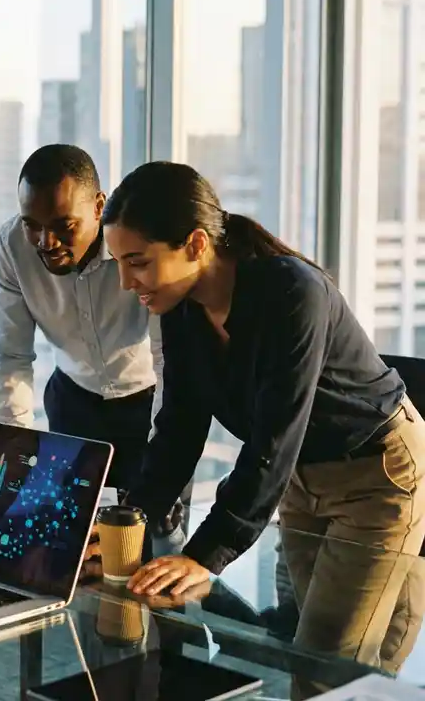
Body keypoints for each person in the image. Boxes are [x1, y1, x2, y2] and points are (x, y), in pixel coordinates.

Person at [101, 161, 425, 681]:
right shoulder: (181, 311)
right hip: (299, 477)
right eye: (117, 262)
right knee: (327, 655)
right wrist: (129, 522)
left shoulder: (293, 292)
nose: (124, 282)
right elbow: (180, 429)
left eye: (137, 262)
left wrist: (205, 555)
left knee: (324, 666)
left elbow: (275, 434)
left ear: (196, 244)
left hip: (377, 474)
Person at [0, 144, 164, 495]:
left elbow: (167, 356)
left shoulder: (138, 242)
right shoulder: (12, 247)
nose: (45, 241)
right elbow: (10, 355)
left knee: (155, 532)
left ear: (99, 206)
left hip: (148, 401)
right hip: (72, 402)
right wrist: (16, 447)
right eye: (32, 225)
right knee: (69, 535)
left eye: (63, 226)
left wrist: (164, 446)